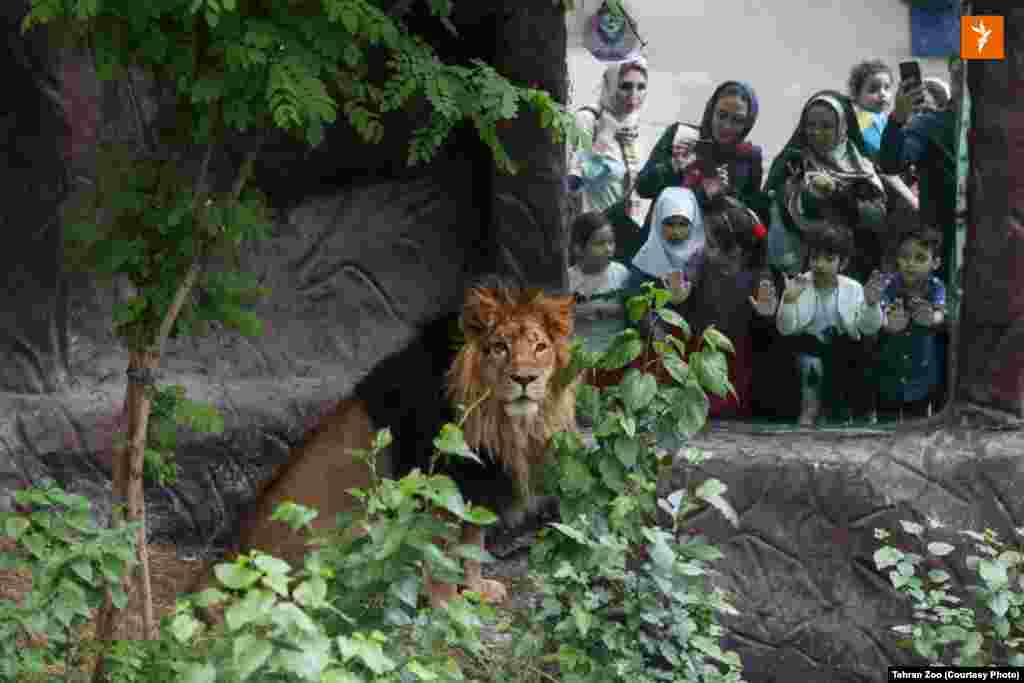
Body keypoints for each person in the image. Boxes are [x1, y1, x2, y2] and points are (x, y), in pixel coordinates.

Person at [764, 90, 887, 281]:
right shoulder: (792, 162)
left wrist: (838, 194)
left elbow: (877, 216)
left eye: (826, 126)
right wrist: (802, 194)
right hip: (801, 267)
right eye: (810, 125)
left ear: (843, 127)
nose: (816, 132)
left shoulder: (861, 166)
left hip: (852, 266)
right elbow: (772, 207)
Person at [633, 81, 767, 251]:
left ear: (748, 123)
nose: (726, 126)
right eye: (722, 115)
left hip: (709, 259)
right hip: (659, 251)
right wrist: (674, 165)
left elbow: (748, 222)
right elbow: (642, 187)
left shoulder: (748, 158)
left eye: (737, 120)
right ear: (711, 111)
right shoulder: (682, 137)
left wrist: (727, 196)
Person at [774, 226, 885, 426]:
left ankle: (853, 413)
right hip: (808, 348)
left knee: (855, 356)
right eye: (815, 257)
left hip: (844, 350)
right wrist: (788, 301)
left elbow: (868, 329)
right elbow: (785, 329)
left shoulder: (853, 288)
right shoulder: (798, 284)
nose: (819, 264)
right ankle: (808, 412)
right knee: (811, 365)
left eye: (829, 259)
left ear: (843, 263)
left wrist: (871, 305)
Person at [680, 198, 778, 418]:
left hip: (739, 356)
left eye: (711, 244)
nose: (704, 248)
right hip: (702, 351)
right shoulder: (701, 263)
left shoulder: (758, 274)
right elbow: (683, 292)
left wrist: (767, 314)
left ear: (737, 250)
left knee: (730, 408)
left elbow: (767, 321)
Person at [878, 57, 961, 285]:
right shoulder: (929, 124)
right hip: (942, 250)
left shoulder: (1003, 128)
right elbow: (891, 164)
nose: (966, 80)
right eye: (958, 73)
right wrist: (898, 118)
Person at [567, 58, 649, 262]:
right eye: (625, 86)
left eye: (641, 87)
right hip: (591, 237)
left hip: (622, 235)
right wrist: (604, 138)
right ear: (610, 85)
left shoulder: (631, 126)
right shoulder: (588, 119)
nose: (634, 95)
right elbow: (572, 184)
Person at [848, 59, 919, 269]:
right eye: (873, 89)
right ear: (856, 95)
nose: (882, 94)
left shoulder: (883, 118)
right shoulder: (864, 121)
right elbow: (885, 166)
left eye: (887, 88)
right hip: (881, 200)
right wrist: (912, 199)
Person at [871, 227, 947, 420]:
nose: (910, 263)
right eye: (905, 257)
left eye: (920, 258)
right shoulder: (888, 283)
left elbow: (940, 314)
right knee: (885, 423)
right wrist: (887, 322)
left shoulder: (936, 286)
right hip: (888, 370)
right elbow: (879, 315)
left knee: (916, 423)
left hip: (921, 372)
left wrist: (931, 318)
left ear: (935, 263)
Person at [569, 211, 631, 357]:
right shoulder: (568, 279)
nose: (608, 249)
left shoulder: (621, 273)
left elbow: (633, 309)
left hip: (615, 356)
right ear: (578, 248)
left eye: (611, 242)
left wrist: (602, 309)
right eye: (599, 244)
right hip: (579, 357)